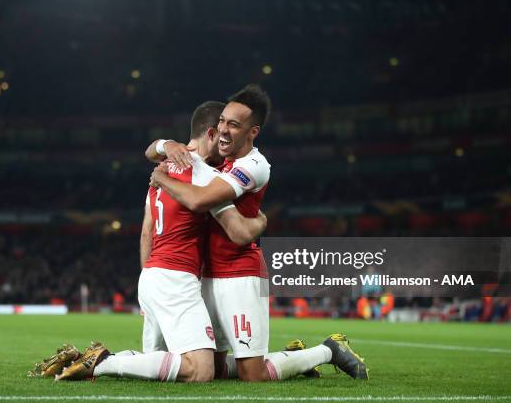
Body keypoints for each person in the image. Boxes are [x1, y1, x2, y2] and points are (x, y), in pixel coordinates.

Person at [149, 84, 368, 381]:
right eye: (222, 121)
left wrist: (161, 178)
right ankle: (294, 357)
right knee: (212, 370)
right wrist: (165, 144)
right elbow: (153, 151)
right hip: (208, 274)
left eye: (234, 125)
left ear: (253, 132)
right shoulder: (219, 160)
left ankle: (328, 350)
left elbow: (205, 206)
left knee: (253, 374)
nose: (224, 130)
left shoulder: (253, 165)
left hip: (239, 274)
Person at [51, 101, 268, 382]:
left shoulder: (163, 170)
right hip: (176, 277)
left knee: (156, 364)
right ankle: (103, 361)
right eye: (223, 132)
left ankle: (88, 358)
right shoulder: (205, 176)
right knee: (202, 371)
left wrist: (164, 145)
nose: (227, 146)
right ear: (212, 133)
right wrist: (262, 221)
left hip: (152, 275)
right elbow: (238, 231)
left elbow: (146, 232)